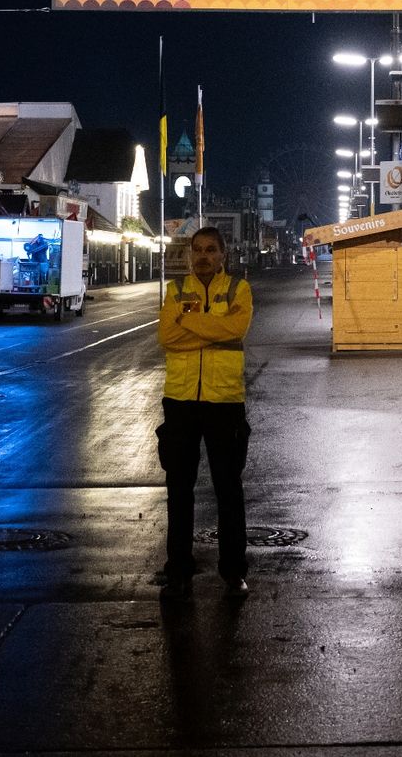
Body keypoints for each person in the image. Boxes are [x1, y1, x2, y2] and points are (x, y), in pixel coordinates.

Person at [155, 226, 255, 600]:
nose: (203, 256)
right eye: (197, 250)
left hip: (224, 401)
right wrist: (215, 330)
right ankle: (178, 570)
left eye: (211, 250)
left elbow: (236, 327)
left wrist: (188, 324)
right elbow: (166, 337)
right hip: (180, 400)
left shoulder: (238, 290)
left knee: (229, 490)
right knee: (179, 490)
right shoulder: (176, 291)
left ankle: (233, 572)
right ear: (189, 255)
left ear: (223, 255)